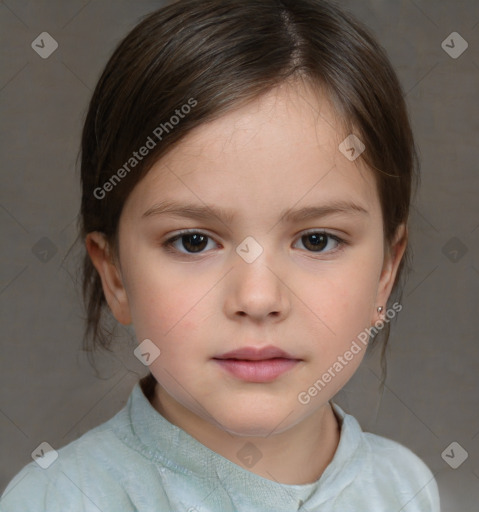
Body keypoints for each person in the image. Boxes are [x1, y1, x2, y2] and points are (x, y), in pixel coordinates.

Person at [0, 0, 440, 510]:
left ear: (385, 273)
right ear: (115, 275)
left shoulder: (404, 488)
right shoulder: (55, 500)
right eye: (194, 241)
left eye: (317, 240)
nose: (257, 298)